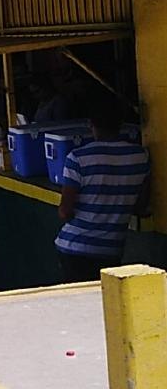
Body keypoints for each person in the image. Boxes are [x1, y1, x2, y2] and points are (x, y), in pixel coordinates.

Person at [56, 100, 150, 281]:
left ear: (91, 124)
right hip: (112, 250)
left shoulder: (78, 158)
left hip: (75, 247)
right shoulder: (141, 157)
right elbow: (140, 207)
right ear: (121, 124)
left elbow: (64, 211)